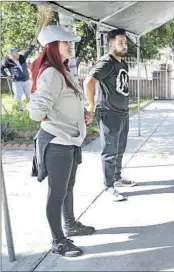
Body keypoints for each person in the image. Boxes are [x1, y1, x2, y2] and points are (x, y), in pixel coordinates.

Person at [28, 25, 95, 257]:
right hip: (57, 142)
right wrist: (56, 118)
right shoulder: (51, 73)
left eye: (70, 42)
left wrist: (81, 115)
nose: (70, 45)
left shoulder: (63, 70)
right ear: (51, 47)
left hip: (69, 141)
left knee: (68, 188)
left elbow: (68, 100)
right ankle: (58, 241)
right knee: (57, 193)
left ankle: (70, 225)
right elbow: (36, 112)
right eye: (64, 42)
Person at [83, 28, 136, 202]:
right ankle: (108, 186)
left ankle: (117, 177)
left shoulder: (122, 63)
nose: (124, 46)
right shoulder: (106, 62)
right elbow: (89, 82)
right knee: (110, 151)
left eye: (125, 43)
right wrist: (90, 105)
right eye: (120, 43)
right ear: (111, 44)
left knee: (120, 149)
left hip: (122, 113)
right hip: (108, 114)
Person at [1, 44, 35, 110]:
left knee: (29, 95)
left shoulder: (22, 57)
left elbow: (27, 51)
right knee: (18, 97)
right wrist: (6, 75)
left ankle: (31, 109)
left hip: (26, 80)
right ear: (10, 55)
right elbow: (1, 68)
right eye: (14, 54)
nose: (17, 55)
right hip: (17, 82)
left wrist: (31, 46)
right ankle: (20, 111)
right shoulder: (6, 61)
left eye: (16, 52)